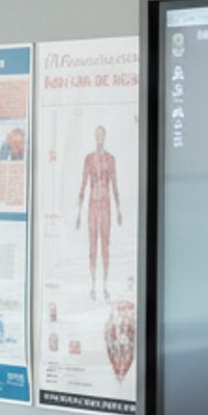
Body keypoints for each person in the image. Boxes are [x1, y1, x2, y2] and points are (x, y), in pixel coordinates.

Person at [76, 125, 123, 300]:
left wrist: (119, 209)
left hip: (106, 205)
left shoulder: (111, 159)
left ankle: (104, 285)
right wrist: (79, 212)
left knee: (105, 244)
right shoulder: (89, 158)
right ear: (94, 137)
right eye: (97, 135)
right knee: (92, 245)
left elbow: (115, 184)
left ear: (105, 137)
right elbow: (83, 184)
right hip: (92, 205)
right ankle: (92, 285)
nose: (100, 138)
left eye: (102, 135)